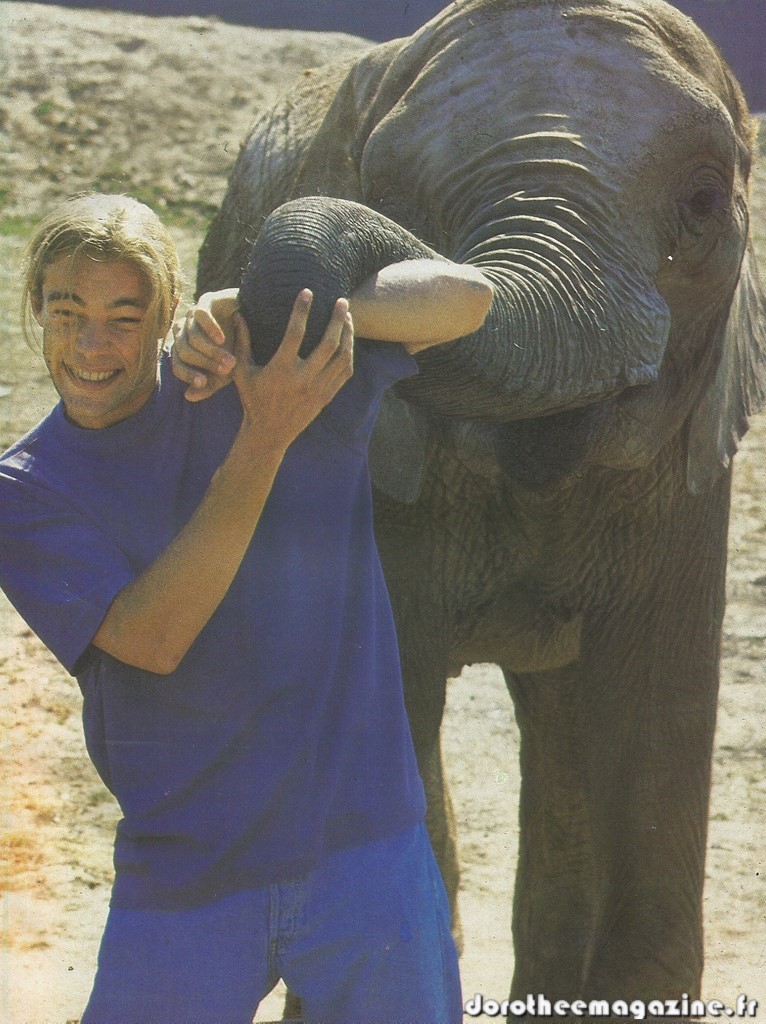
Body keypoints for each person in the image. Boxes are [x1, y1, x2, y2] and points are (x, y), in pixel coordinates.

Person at [0, 192, 493, 1023]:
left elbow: (468, 299)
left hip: (363, 851)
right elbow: (155, 637)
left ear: (169, 313)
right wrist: (267, 433)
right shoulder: (28, 490)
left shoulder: (266, 364)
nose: (91, 345)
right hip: (186, 873)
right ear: (35, 312)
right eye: (67, 312)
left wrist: (262, 307)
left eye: (124, 318)